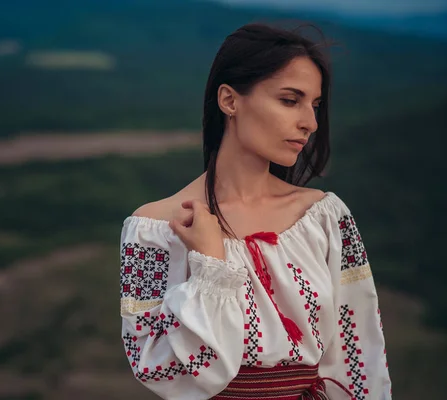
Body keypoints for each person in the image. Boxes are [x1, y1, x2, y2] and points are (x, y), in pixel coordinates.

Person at [119, 22, 391, 400]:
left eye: (315, 106)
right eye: (289, 100)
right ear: (229, 100)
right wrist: (209, 266)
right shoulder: (153, 229)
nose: (310, 123)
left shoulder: (325, 218)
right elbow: (157, 367)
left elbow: (358, 356)